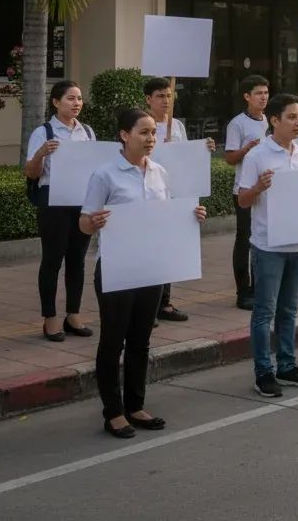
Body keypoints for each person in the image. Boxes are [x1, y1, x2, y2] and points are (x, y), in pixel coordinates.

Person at [79, 107, 207, 438]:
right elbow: (83, 222)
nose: (151, 139)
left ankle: (135, 405)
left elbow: (165, 217)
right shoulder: (105, 175)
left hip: (151, 268)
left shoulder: (160, 172)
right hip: (117, 270)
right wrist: (93, 221)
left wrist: (192, 214)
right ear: (124, 135)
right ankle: (113, 412)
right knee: (113, 341)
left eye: (153, 133)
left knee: (141, 340)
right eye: (144, 132)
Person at [238, 93, 298, 397]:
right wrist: (258, 187)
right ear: (274, 120)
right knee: (265, 312)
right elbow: (243, 200)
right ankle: (264, 372)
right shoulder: (257, 156)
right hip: (268, 247)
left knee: (289, 310)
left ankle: (287, 365)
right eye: (291, 116)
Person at [25, 80, 96, 342]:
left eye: (79, 98)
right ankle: (50, 317)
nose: (76, 103)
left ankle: (73, 315)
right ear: (56, 102)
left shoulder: (87, 132)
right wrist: (42, 153)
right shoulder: (43, 132)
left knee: (77, 259)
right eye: (70, 98)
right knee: (53, 260)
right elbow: (31, 173)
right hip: (53, 202)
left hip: (81, 201)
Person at [144, 76, 216, 324]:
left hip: (175, 195)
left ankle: (164, 303)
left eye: (169, 95)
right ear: (148, 100)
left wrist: (203, 148)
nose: (166, 100)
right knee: (150, 250)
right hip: (151, 196)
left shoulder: (177, 126)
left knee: (168, 250)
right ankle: (148, 305)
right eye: (160, 96)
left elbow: (185, 159)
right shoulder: (143, 125)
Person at [224, 75, 270, 311]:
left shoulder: (270, 122)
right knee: (245, 239)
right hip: (244, 189)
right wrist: (247, 148)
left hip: (268, 190)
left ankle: (261, 287)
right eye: (258, 93)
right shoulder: (237, 124)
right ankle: (243, 291)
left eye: (266, 92)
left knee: (264, 238)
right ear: (247, 97)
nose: (263, 97)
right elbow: (230, 158)